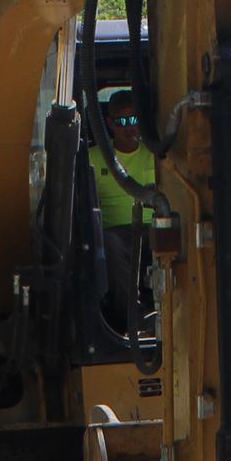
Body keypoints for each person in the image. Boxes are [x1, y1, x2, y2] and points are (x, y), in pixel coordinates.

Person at [92, 86, 154, 332]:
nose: (130, 127)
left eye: (134, 120)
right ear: (109, 123)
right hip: (114, 232)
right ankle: (132, 318)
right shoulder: (93, 157)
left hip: (150, 227)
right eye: (122, 121)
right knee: (111, 245)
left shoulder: (155, 156)